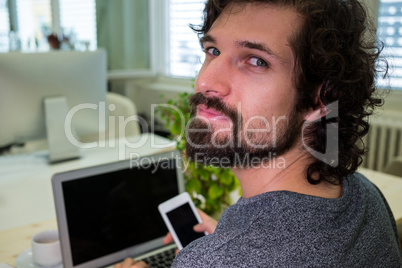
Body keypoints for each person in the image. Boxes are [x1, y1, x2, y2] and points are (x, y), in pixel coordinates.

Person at [115, 0, 402, 267]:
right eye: (213, 51)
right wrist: (230, 238)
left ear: (321, 98)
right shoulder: (361, 193)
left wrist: (226, 251)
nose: (204, 81)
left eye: (255, 61)